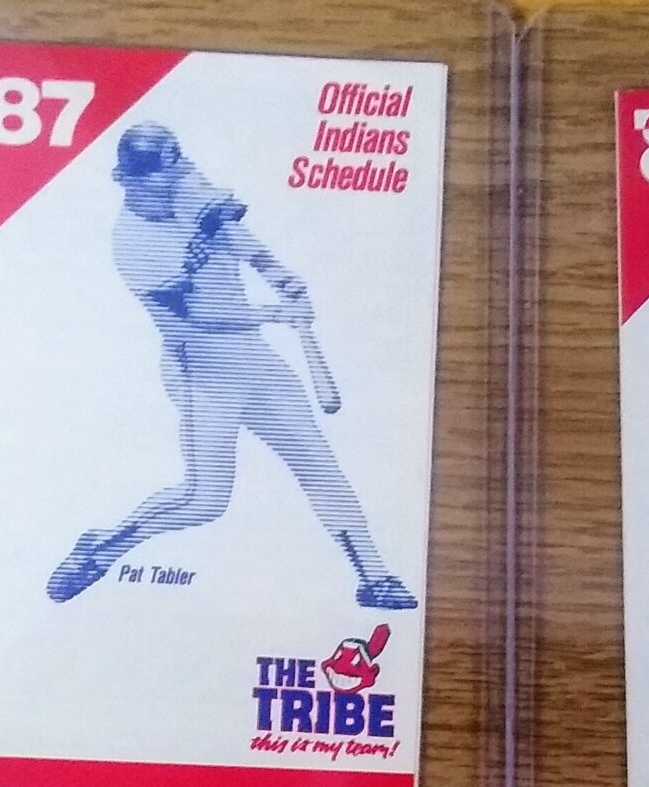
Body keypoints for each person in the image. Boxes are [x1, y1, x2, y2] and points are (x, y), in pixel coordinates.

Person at [47, 123, 412, 611]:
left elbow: (227, 230)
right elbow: (194, 318)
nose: (180, 173)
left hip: (253, 359)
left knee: (319, 463)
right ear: (133, 179)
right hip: (201, 370)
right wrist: (273, 314)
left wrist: (274, 271)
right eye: (167, 168)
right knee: (206, 500)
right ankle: (101, 547)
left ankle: (374, 577)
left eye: (179, 161)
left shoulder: (183, 182)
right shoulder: (133, 244)